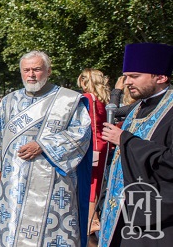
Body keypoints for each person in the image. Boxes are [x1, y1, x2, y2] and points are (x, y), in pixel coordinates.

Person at [0, 50, 92, 247]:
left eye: (37, 69)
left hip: (53, 180)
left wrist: (43, 145)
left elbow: (80, 134)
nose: (31, 74)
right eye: (26, 70)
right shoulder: (8, 101)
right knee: (11, 231)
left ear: (48, 71)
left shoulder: (68, 100)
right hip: (13, 179)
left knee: (50, 233)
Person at [99, 43, 173, 246]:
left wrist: (125, 140)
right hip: (123, 210)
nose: (126, 82)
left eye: (134, 76)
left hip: (156, 216)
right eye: (126, 76)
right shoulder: (137, 108)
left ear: (160, 77)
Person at [77, 68, 110, 238]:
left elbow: (91, 125)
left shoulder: (89, 98)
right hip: (102, 144)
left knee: (92, 183)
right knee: (97, 182)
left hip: (94, 146)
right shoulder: (102, 99)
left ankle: (91, 219)